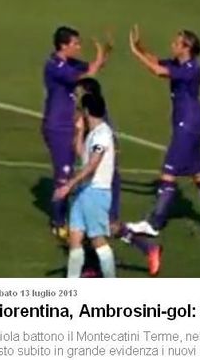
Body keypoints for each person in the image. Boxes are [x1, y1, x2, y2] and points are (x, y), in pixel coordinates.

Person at [126, 25, 200, 237]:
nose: (172, 45)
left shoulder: (191, 68)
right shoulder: (179, 63)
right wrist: (142, 47)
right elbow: (157, 62)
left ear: (187, 48)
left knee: (168, 173)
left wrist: (135, 53)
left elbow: (158, 71)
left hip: (188, 124)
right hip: (190, 124)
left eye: (176, 43)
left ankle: (154, 223)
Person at [76, 78, 163, 276]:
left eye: (78, 93)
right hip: (93, 181)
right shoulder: (88, 119)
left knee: (108, 225)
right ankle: (94, 266)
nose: (75, 97)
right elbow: (83, 153)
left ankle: (148, 249)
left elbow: (104, 154)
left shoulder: (100, 124)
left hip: (104, 181)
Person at [42, 26, 110, 240]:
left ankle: (72, 216)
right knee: (63, 174)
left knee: (71, 171)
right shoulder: (55, 66)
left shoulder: (70, 63)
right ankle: (58, 222)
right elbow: (88, 75)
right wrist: (99, 54)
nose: (79, 47)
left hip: (71, 125)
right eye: (75, 44)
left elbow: (94, 67)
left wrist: (106, 51)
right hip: (58, 126)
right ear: (63, 46)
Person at [54, 93, 116, 278]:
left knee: (97, 239)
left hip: (96, 192)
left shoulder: (103, 134)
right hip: (84, 192)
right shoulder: (93, 133)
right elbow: (82, 154)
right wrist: (80, 131)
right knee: (75, 238)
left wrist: (69, 185)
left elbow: (92, 165)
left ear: (87, 111)